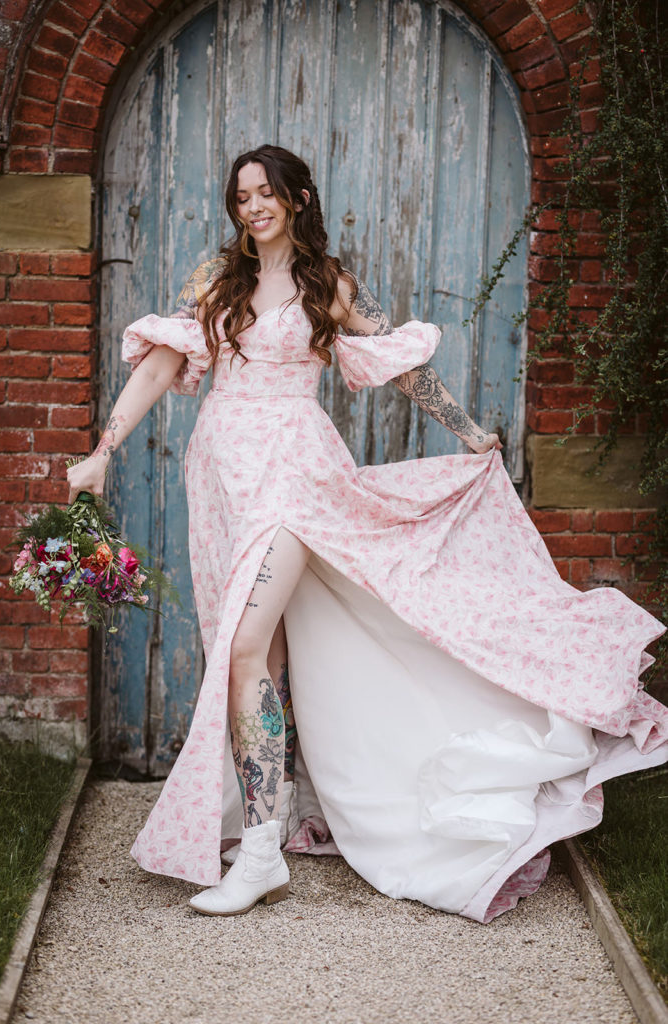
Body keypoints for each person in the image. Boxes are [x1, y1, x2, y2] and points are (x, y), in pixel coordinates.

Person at [68, 144, 667, 923]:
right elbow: (158, 366)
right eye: (241, 195)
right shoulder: (217, 283)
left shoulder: (329, 285)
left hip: (294, 475)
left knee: (244, 648)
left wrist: (464, 427)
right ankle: (266, 828)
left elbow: (400, 368)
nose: (253, 207)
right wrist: (103, 451)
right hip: (219, 480)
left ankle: (255, 862)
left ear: (299, 198)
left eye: (266, 193)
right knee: (258, 657)